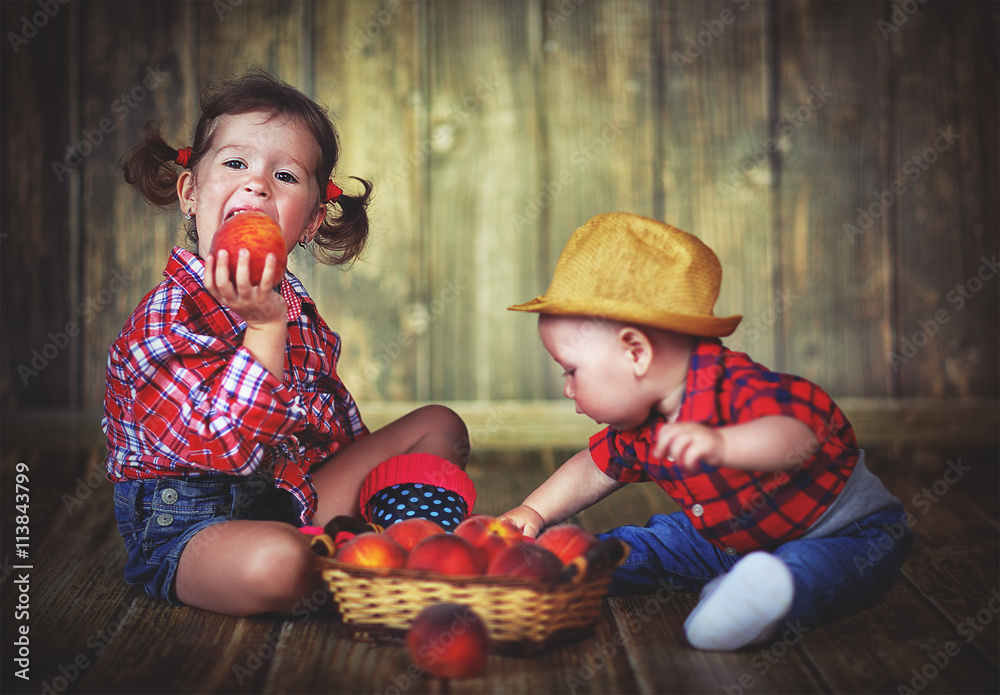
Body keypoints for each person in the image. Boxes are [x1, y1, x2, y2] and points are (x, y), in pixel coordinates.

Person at [105, 70, 475, 617]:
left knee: (439, 425)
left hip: (290, 499)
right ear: (190, 192)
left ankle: (407, 557)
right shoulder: (165, 321)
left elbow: (329, 424)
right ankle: (359, 565)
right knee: (280, 564)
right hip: (194, 530)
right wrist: (264, 328)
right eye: (235, 164)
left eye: (284, 175)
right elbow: (225, 449)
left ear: (309, 222)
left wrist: (374, 486)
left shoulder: (295, 307)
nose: (257, 185)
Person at [499, 212, 912, 651]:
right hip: (732, 540)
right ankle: (563, 564)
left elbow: (798, 437)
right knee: (652, 543)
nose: (566, 389)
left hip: (845, 533)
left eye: (571, 371)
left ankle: (762, 596)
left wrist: (723, 442)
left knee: (813, 568)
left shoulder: (735, 386)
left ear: (636, 353)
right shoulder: (641, 422)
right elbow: (594, 468)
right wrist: (535, 512)